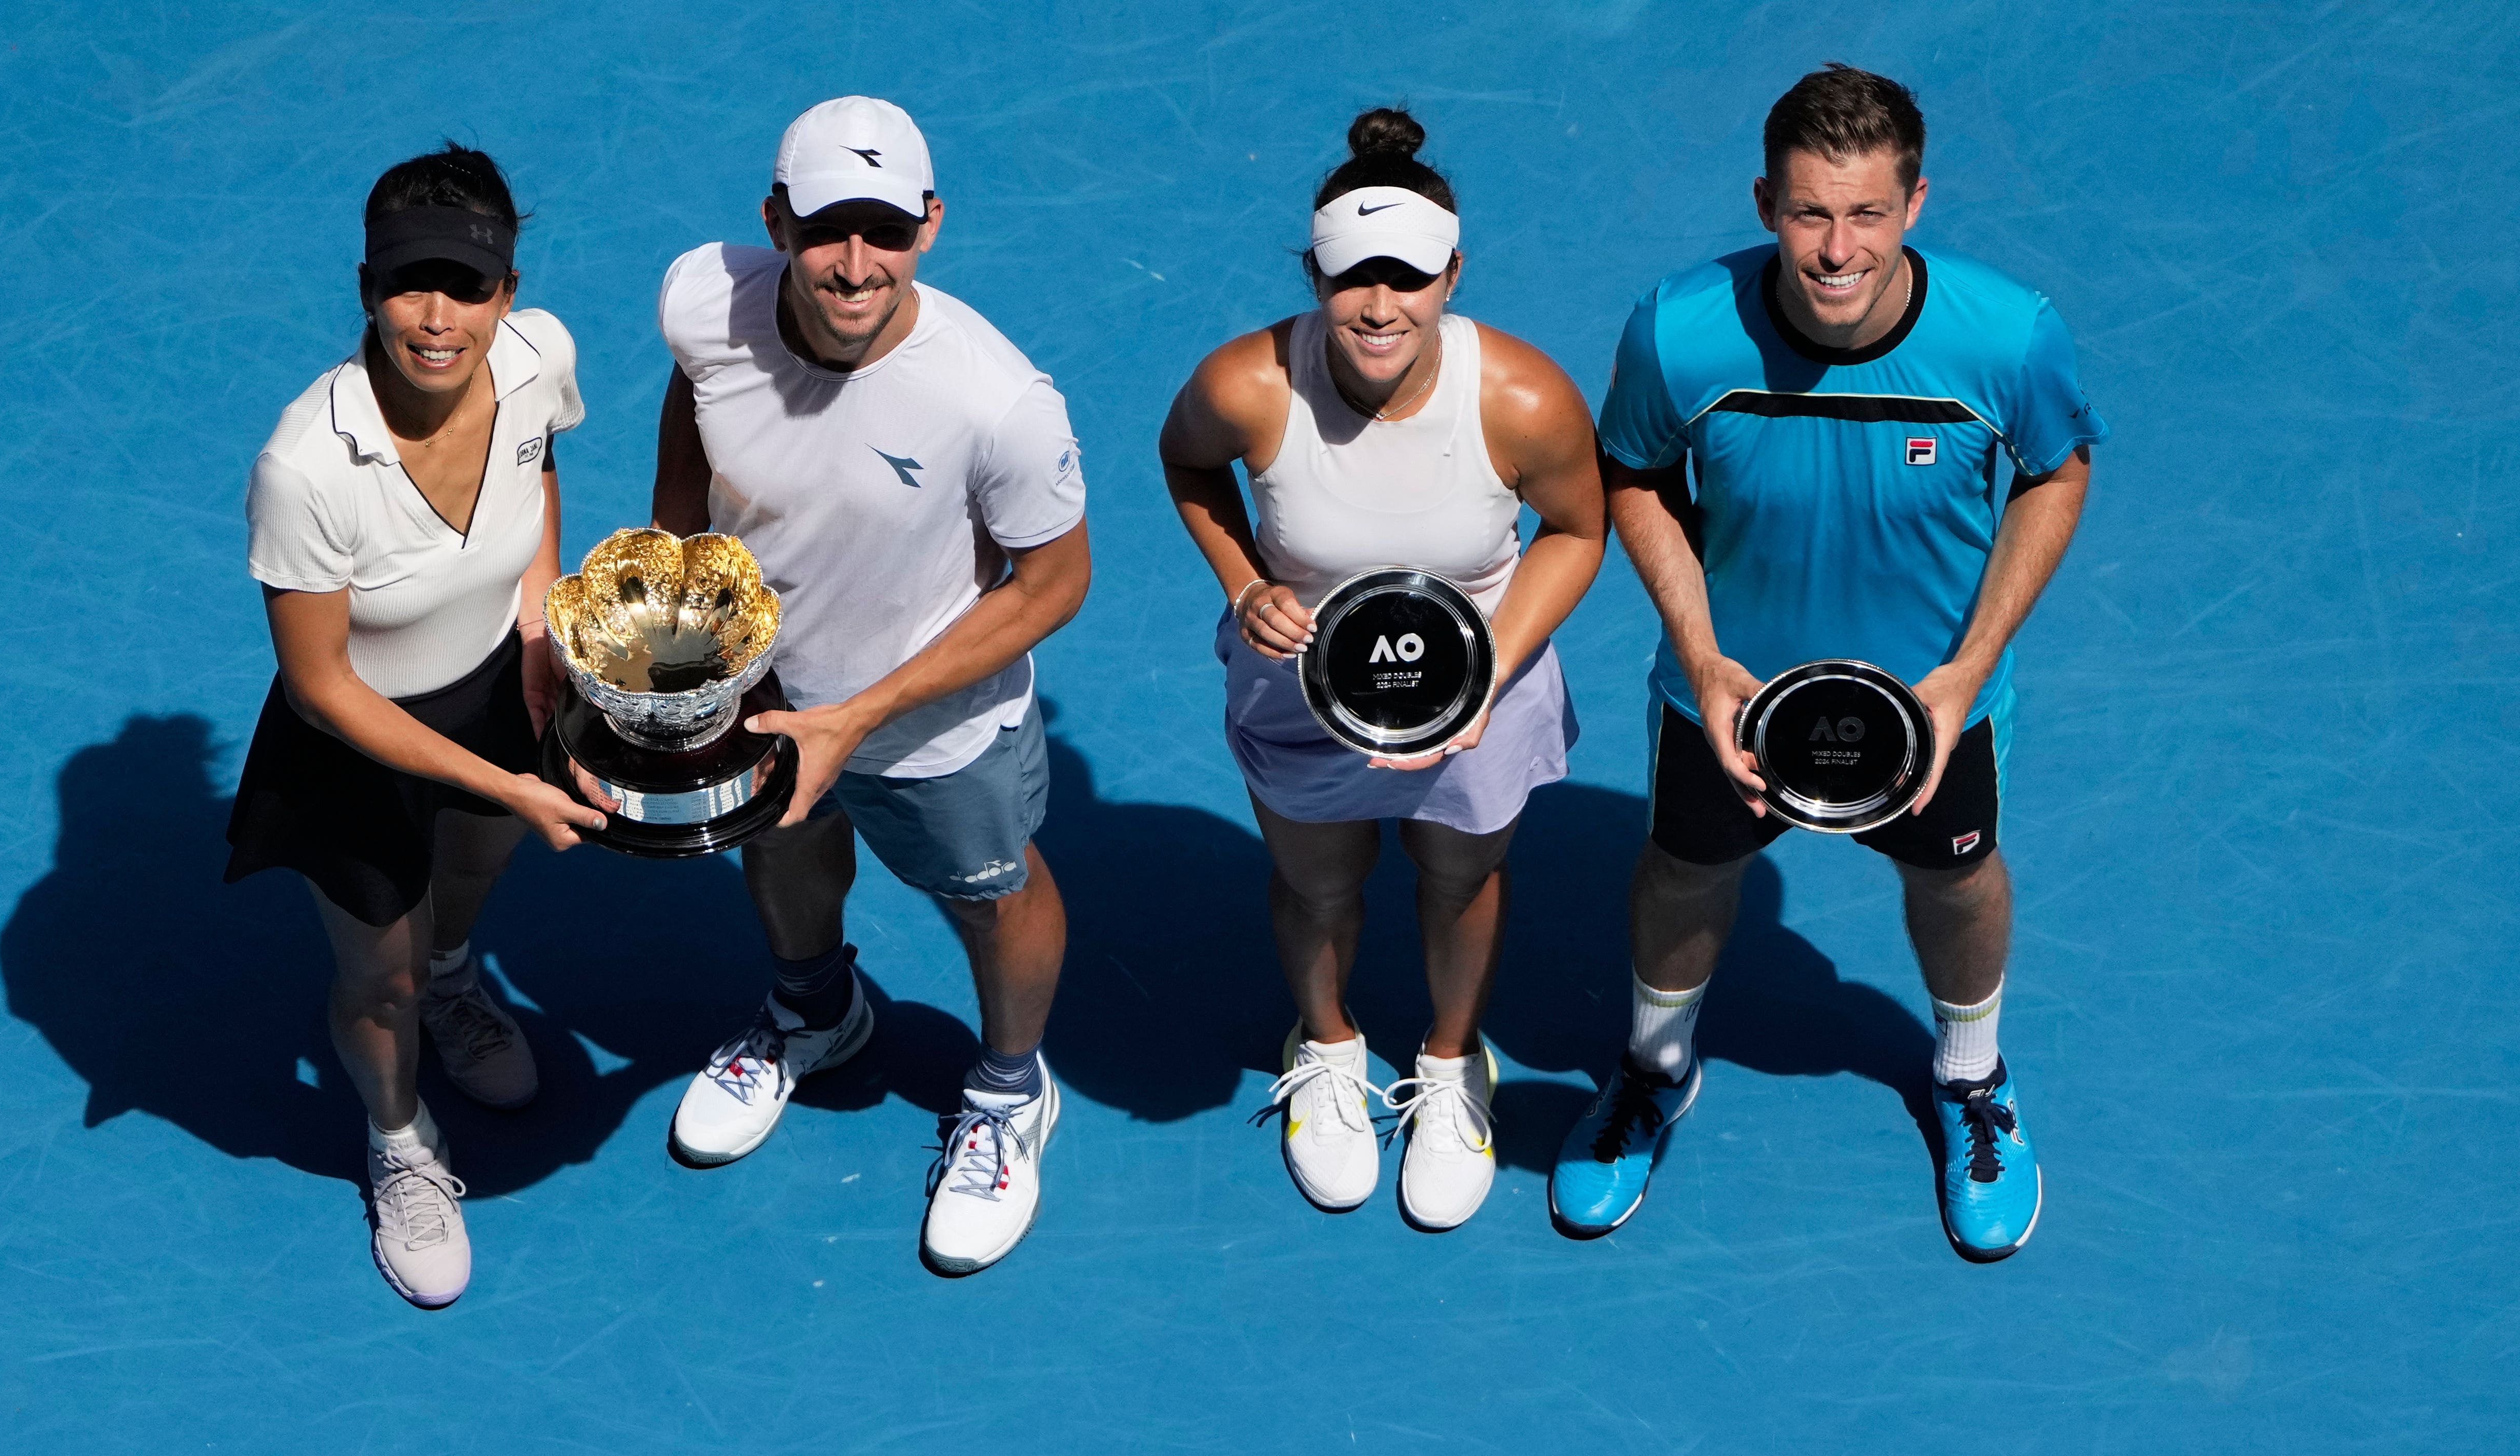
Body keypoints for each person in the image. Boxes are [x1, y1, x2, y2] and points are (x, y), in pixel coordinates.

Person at [1554, 64, 2104, 1259]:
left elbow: (2055, 472)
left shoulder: (2007, 335)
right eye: (1809, 212)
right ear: (1765, 202)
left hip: (1930, 707)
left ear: (1913, 205)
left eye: (1864, 213)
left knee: (1957, 881)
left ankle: (1972, 1081)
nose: (1836, 248)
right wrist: (1700, 657)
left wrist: (1971, 668)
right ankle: (1653, 1072)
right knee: (1684, 873)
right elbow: (1634, 477)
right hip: (1731, 698)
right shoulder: (1680, 330)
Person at [651, 95, 1092, 1276]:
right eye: (827, 229)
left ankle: (1010, 1094)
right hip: (762, 683)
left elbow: (1052, 585)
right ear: (776, 220)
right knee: (783, 846)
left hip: (934, 718)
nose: (855, 266)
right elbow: (694, 403)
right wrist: (679, 563)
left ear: (930, 226)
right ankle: (814, 1014)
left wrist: (855, 716)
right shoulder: (706, 300)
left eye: (885, 232)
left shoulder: (997, 401)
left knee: (991, 895)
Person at [1161, 107, 1605, 1228]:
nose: (1378, 305)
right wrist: (1244, 583)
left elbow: (1577, 530)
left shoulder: (1521, 398)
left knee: (1460, 880)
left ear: (1450, 273)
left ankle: (1453, 1063)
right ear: (1315, 273)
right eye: (1353, 277)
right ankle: (1325, 1044)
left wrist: (1492, 671)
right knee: (1318, 883)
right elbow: (1187, 466)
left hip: (1480, 696)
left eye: (1406, 277)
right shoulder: (1245, 387)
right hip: (1300, 693)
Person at [227, 144, 604, 1307]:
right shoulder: (306, 466)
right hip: (356, 745)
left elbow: (540, 473)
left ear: (510, 290)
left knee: (471, 881)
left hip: (501, 685)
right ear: (365, 287)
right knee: (374, 976)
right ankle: (399, 1142)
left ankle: (457, 977)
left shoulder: (540, 361)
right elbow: (321, 689)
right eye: (407, 284)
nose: (437, 318)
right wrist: (528, 786)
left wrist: (541, 617)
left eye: (469, 287)